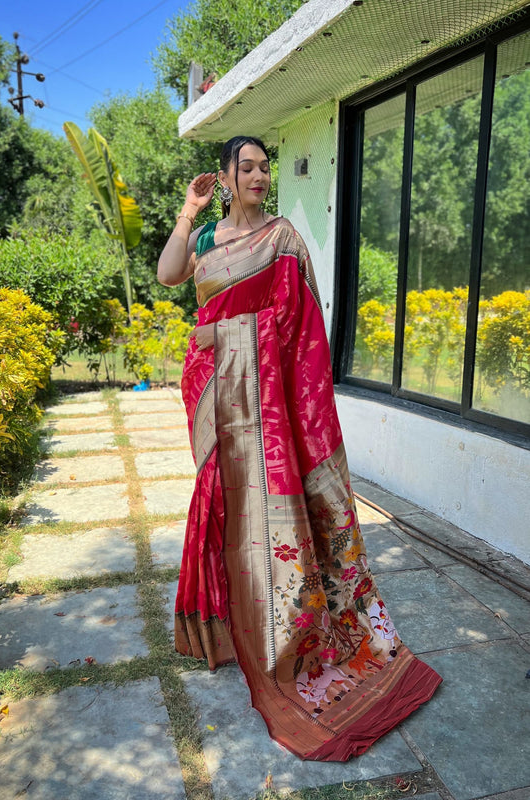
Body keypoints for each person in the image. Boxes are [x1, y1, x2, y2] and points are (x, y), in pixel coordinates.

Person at [158, 135, 441, 761]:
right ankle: (224, 628)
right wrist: (187, 213)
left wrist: (237, 340)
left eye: (265, 167)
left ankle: (286, 628)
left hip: (271, 399)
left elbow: (303, 326)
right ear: (225, 179)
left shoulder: (283, 238)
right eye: (247, 168)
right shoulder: (204, 240)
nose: (259, 176)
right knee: (221, 501)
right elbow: (167, 275)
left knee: (274, 512)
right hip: (213, 389)